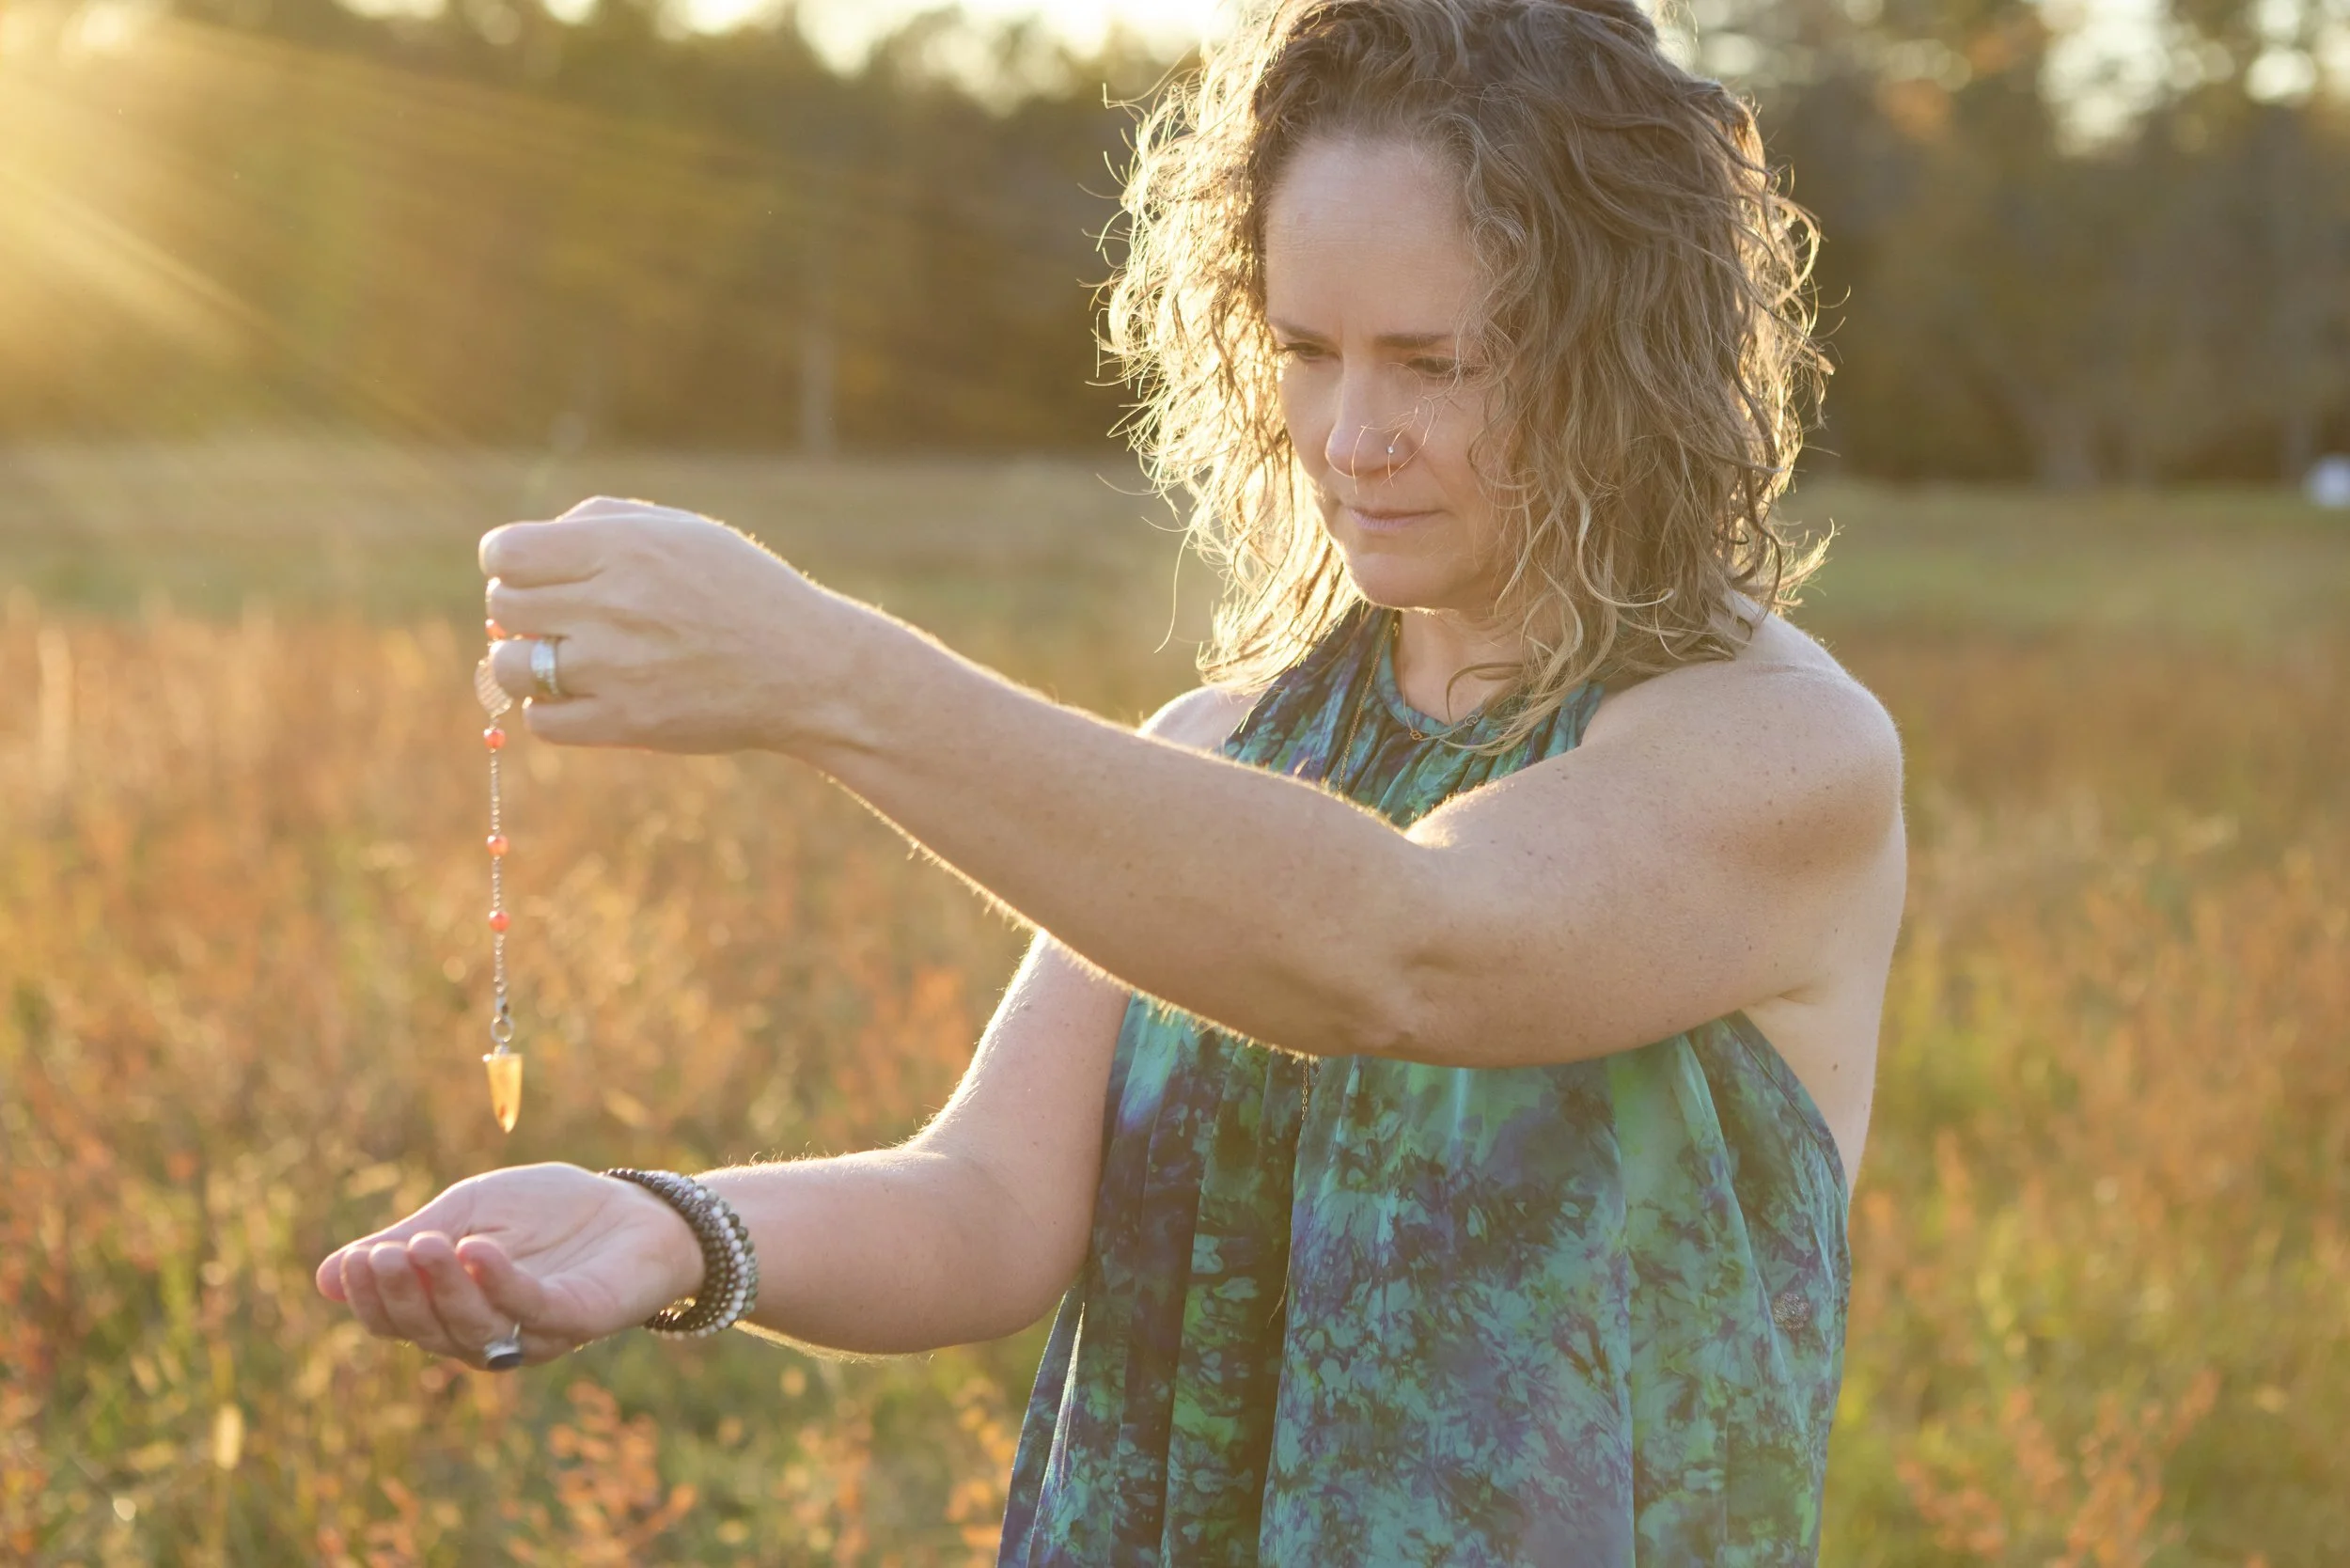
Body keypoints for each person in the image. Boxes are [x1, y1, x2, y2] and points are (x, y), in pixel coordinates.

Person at [316, 0, 1904, 1559]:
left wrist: (826, 674)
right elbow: (986, 1205)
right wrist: (672, 1228)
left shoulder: (1777, 751)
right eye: (1306, 350)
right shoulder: (1220, 749)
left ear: (1626, 354)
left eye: (1435, 362)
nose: (1352, 437)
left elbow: (1406, 949)